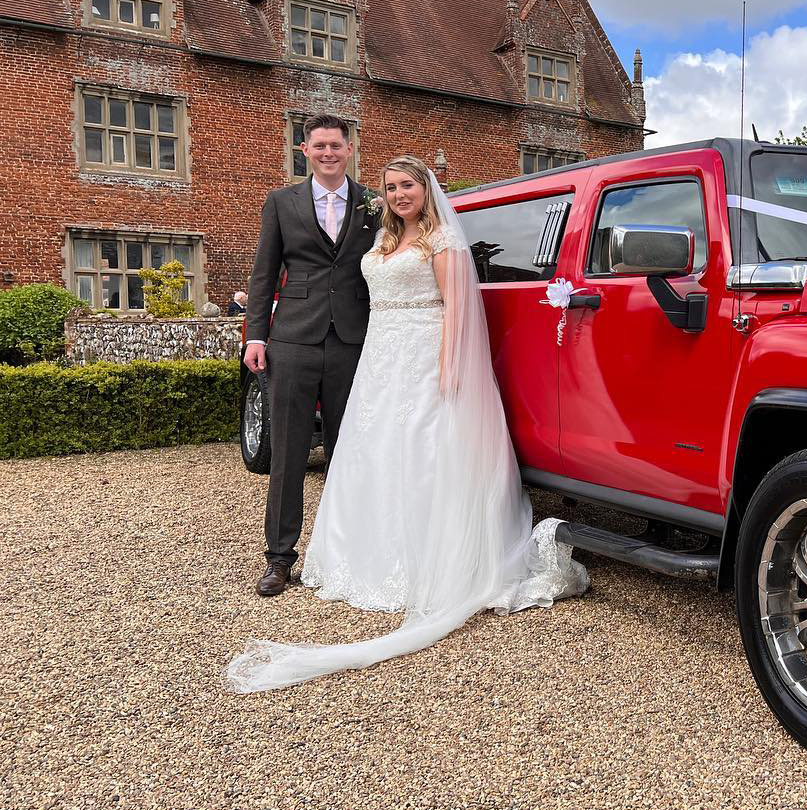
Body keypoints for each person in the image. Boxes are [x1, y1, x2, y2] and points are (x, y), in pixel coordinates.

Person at [225, 156, 587, 692]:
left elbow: (459, 309)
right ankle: (362, 556)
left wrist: (450, 365)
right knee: (372, 454)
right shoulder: (381, 237)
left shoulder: (443, 240)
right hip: (377, 357)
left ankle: (428, 562)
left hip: (423, 356)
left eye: (408, 186)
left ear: (426, 188)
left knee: (423, 454)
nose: (398, 194)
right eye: (391, 187)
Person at [243, 114, 375, 597]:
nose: (328, 153)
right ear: (305, 149)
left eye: (336, 146)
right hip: (293, 340)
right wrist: (256, 336)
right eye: (318, 146)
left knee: (349, 453)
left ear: (349, 148)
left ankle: (348, 552)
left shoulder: (373, 204)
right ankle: (279, 558)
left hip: (353, 340)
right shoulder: (281, 202)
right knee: (289, 452)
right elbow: (264, 273)